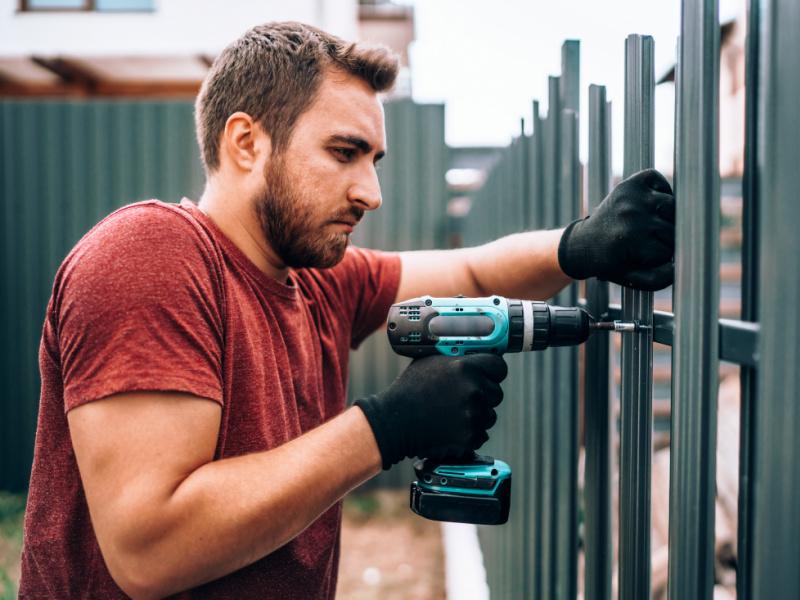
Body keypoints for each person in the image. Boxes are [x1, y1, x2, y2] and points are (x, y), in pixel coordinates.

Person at [19, 21, 675, 599]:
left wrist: (578, 244)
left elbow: (474, 273)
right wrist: (387, 427)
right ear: (246, 143)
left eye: (375, 160)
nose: (371, 192)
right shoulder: (150, 255)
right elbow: (149, 551)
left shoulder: (315, 282)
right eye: (344, 153)